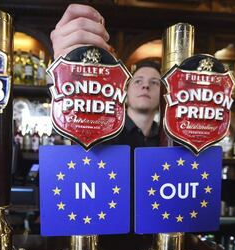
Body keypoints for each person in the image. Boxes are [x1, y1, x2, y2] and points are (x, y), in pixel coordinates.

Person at [50, 4, 160, 149]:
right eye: (138, 81)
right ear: (124, 90)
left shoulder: (168, 138)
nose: (146, 86)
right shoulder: (103, 129)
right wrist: (67, 71)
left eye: (155, 83)